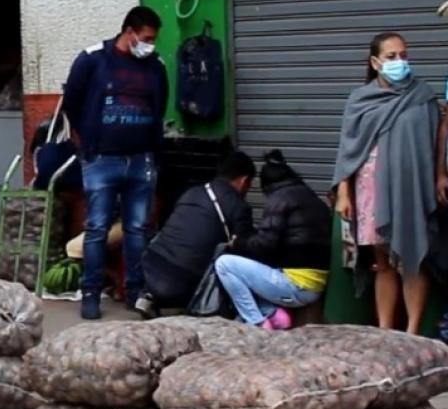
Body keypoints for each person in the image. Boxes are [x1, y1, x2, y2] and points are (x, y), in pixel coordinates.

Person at [62, 5, 169, 320]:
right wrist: (88, 144)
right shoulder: (93, 59)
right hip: (101, 161)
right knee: (96, 228)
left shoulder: (155, 66)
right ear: (130, 32)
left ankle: (134, 292)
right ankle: (91, 294)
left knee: (138, 229)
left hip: (140, 161)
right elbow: (71, 102)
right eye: (146, 38)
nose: (150, 44)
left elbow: (159, 107)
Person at [330, 33, 439, 335]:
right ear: (375, 62)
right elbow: (349, 148)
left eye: (403, 55)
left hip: (410, 190)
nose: (399, 62)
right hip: (370, 191)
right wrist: (343, 192)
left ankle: (413, 333)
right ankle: (385, 331)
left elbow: (435, 144)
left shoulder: (423, 97)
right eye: (391, 57)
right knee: (383, 262)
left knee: (412, 259)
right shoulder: (359, 100)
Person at [215, 151, 332, 329]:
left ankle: (257, 322)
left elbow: (264, 246)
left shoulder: (279, 199)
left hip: (297, 287)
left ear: (267, 186)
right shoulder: (312, 198)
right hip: (316, 285)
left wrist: (238, 243)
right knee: (252, 270)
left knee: (224, 264)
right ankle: (274, 315)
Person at [136, 151, 256, 319]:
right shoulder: (238, 206)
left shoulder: (192, 192)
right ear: (244, 181)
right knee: (230, 260)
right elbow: (248, 248)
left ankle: (149, 295)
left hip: (150, 266)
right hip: (181, 283)